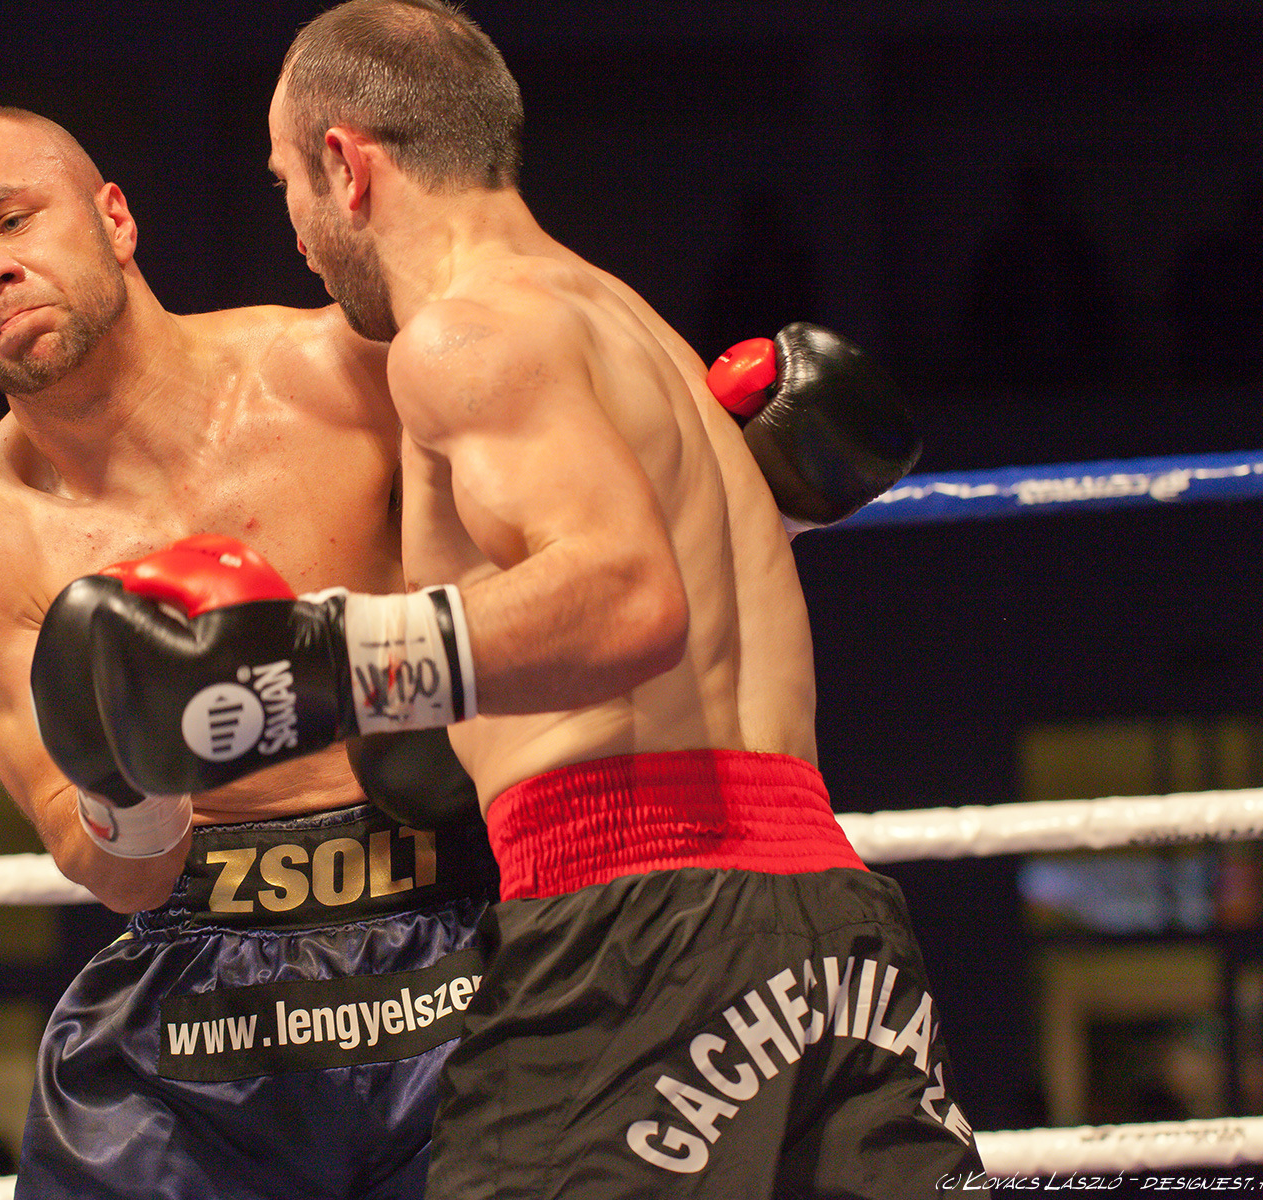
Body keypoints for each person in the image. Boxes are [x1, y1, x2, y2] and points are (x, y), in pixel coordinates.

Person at [66, 2, 979, 1195]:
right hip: (830, 926)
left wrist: (314, 662)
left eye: (288, 183)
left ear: (347, 164)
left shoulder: (463, 336)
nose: (294, 230)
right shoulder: (631, 324)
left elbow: (627, 597)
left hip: (633, 932)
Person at [0, 106, 499, 1200]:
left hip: (463, 925)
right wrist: (132, 776)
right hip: (203, 987)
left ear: (115, 220)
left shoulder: (351, 374)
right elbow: (112, 867)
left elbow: (564, 585)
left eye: (11, 219)